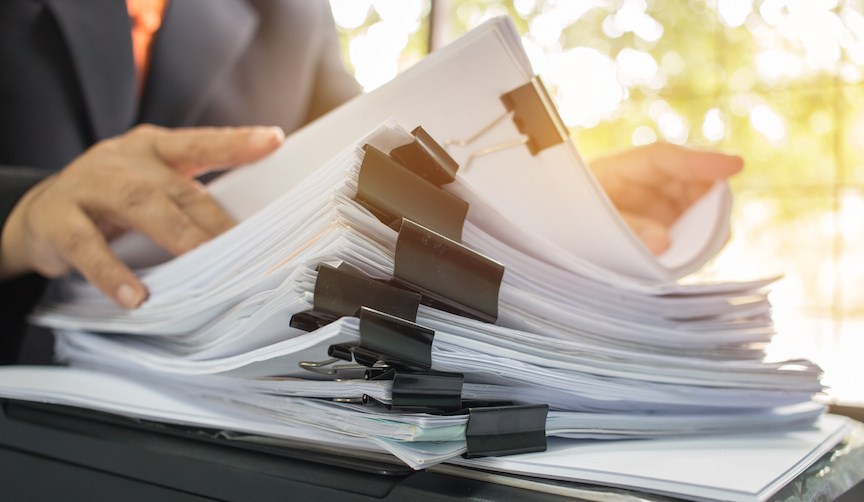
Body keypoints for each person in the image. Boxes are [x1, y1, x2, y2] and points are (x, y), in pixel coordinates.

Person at [0, 0, 742, 364]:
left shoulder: (291, 12)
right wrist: (20, 215)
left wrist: (542, 201)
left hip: (233, 404)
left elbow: (366, 177)